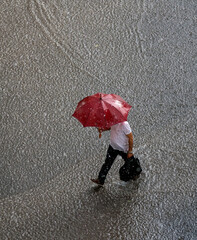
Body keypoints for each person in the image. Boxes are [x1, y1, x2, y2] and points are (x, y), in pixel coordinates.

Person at [91, 121, 136, 186]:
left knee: (131, 163)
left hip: (123, 149)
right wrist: (102, 129)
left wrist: (130, 151)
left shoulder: (125, 124)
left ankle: (135, 173)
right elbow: (110, 127)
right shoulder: (113, 120)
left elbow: (131, 137)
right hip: (113, 146)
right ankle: (100, 180)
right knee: (107, 163)